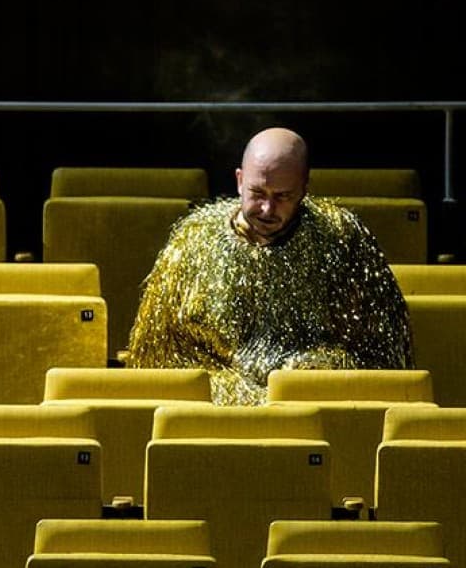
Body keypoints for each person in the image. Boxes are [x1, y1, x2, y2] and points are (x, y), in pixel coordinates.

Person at [126, 126, 412, 405]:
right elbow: (157, 359)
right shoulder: (192, 240)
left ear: (304, 188)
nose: (266, 209)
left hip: (311, 407)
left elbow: (383, 354)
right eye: (257, 193)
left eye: (282, 196)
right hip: (213, 415)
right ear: (239, 181)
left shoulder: (342, 238)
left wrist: (306, 373)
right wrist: (238, 393)